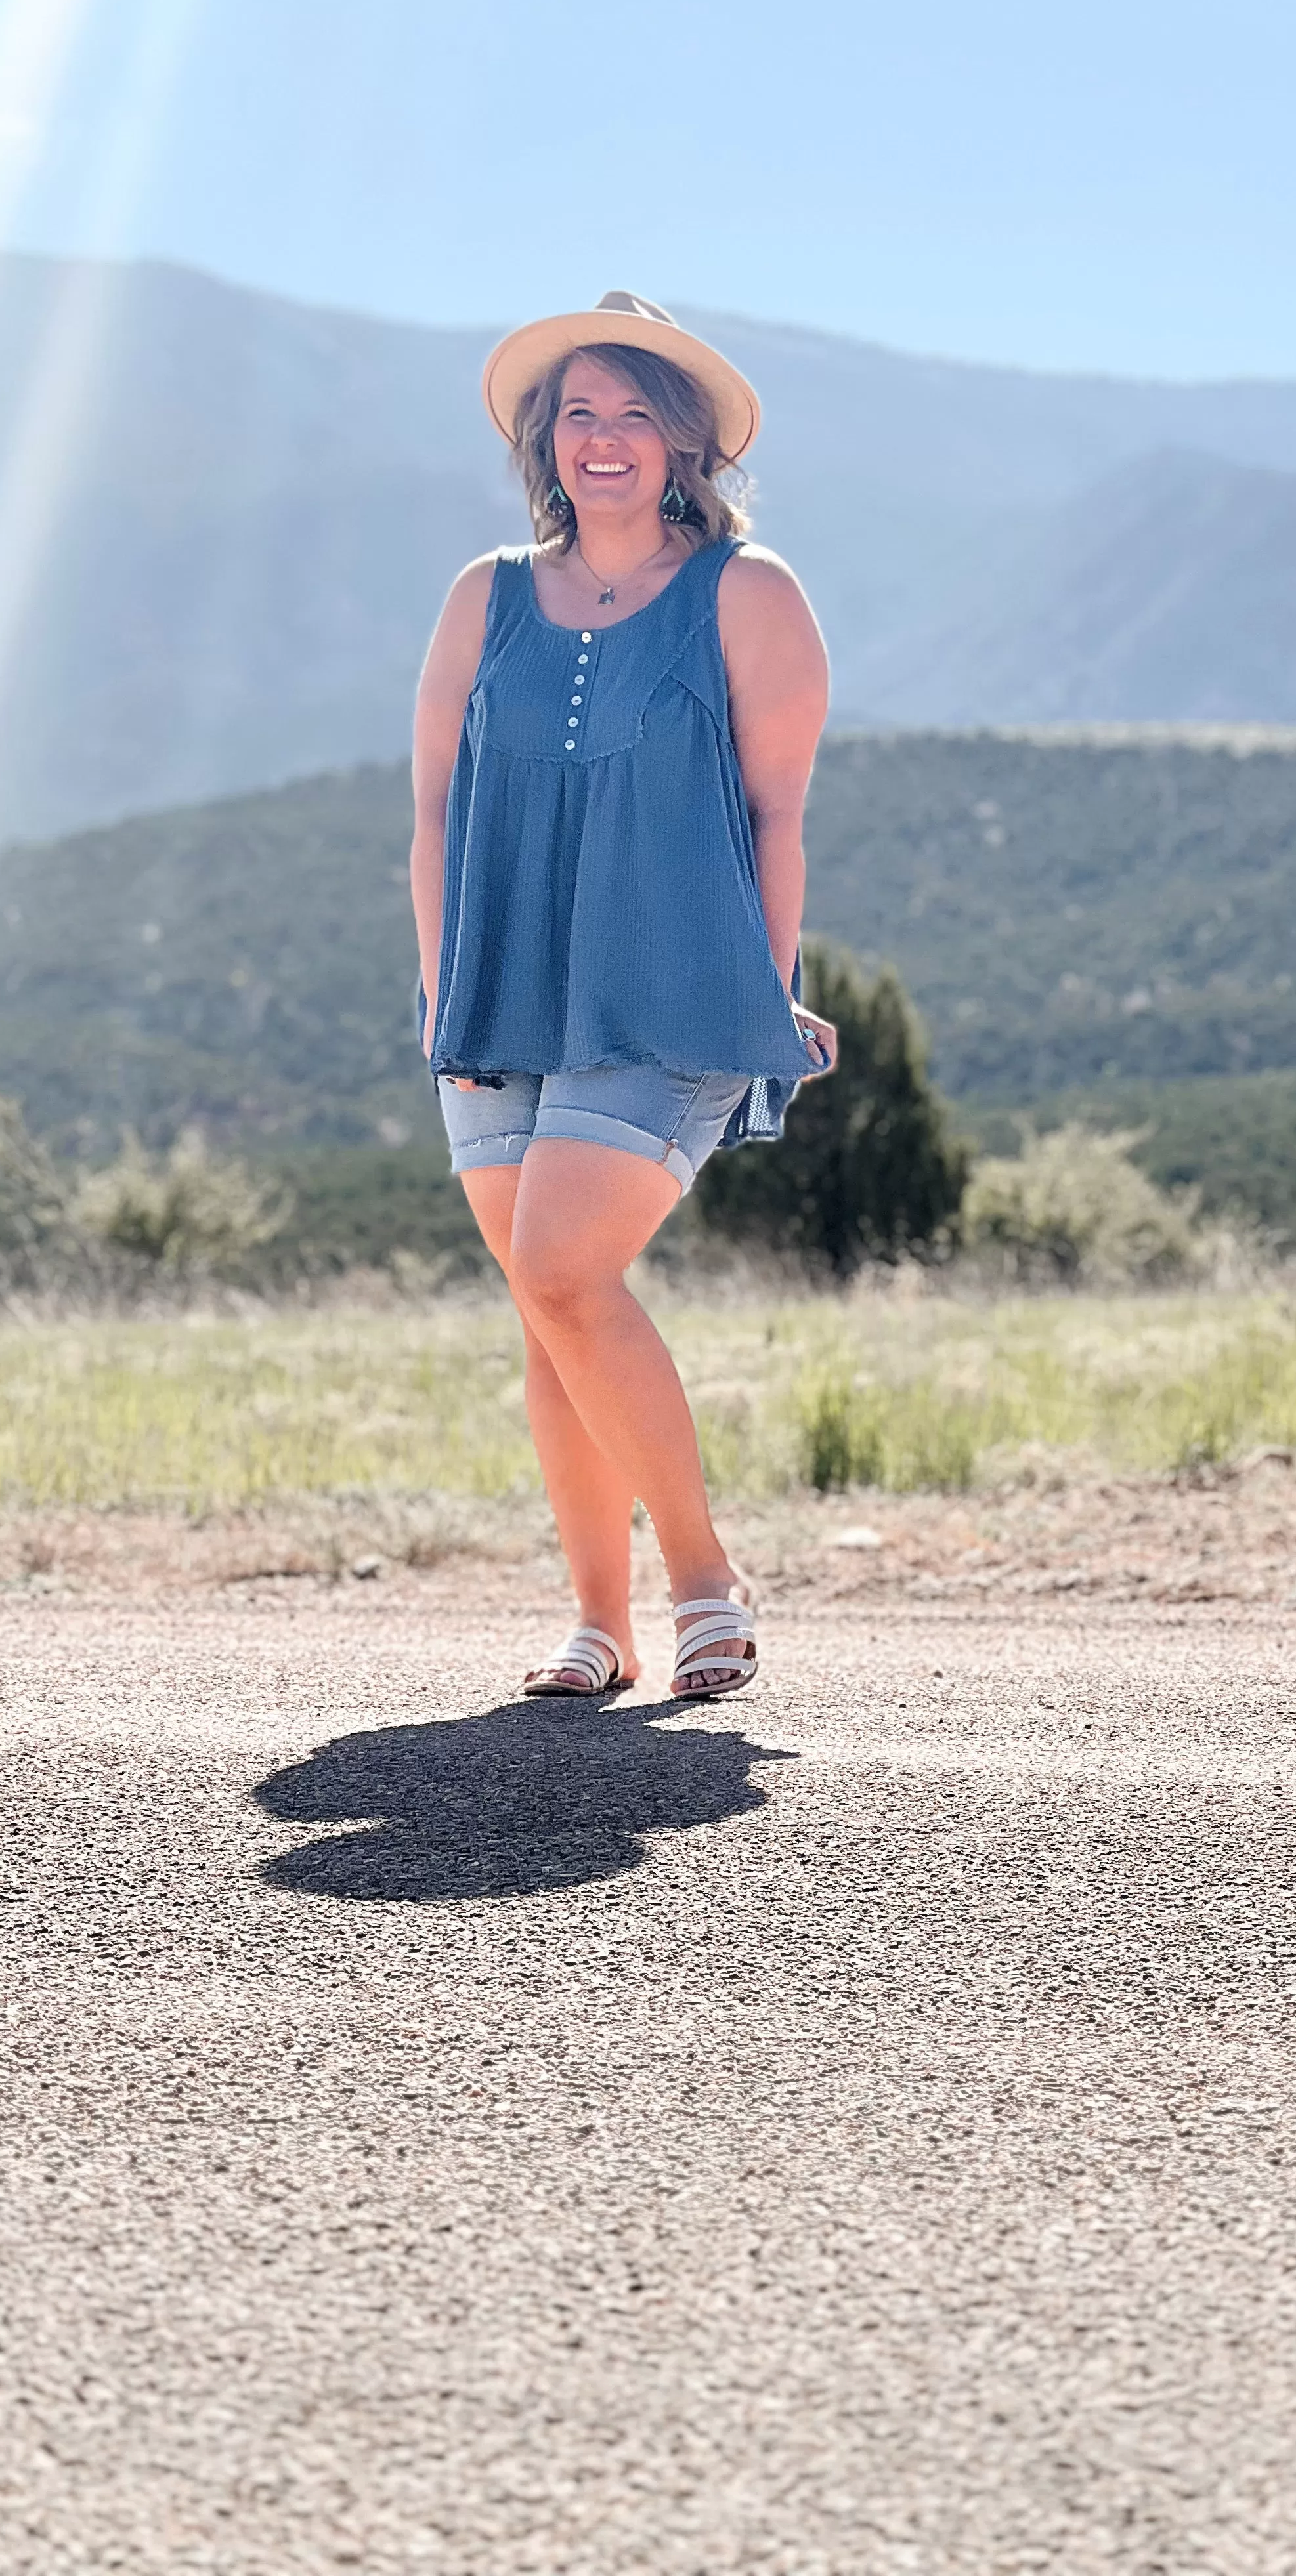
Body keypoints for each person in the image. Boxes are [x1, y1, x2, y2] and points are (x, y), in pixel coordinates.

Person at [410, 291, 834, 1700]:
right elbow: (430, 812)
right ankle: (601, 1623)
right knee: (549, 1306)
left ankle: (706, 1580)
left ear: (684, 448)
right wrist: (443, 998)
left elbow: (778, 817)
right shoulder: (487, 596)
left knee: (565, 1270)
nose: (604, 440)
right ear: (546, 436)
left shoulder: (749, 593)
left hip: (674, 990)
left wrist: (771, 996)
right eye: (579, 412)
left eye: (635, 415)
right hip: (504, 994)